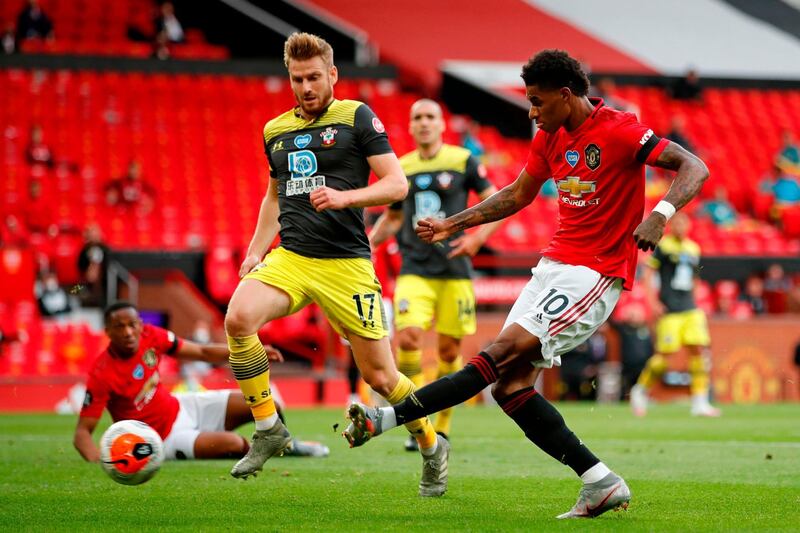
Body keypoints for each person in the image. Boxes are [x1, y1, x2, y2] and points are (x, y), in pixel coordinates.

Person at [344, 49, 709, 518]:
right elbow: (518, 194)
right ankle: (600, 481)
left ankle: (383, 419)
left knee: (497, 355)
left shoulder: (619, 129)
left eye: (537, 102)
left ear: (565, 95)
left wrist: (660, 215)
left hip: (595, 273)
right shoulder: (549, 136)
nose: (532, 112)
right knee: (509, 387)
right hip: (554, 266)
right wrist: (454, 224)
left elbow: (693, 166)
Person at [222, 33, 447, 495]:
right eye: (297, 79)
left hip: (346, 264)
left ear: (332, 75)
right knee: (238, 318)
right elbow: (273, 196)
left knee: (381, 377)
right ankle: (269, 427)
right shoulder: (275, 130)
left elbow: (397, 185)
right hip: (293, 257)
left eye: (314, 78)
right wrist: (254, 250)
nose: (305, 87)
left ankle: (430, 445)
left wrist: (346, 197)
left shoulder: (356, 117)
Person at [369, 99, 501, 451]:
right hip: (415, 268)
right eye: (417, 118)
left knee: (448, 349)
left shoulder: (463, 160)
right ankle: (418, 420)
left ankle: (442, 425)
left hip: (455, 270)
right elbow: (394, 217)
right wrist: (369, 244)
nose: (424, 123)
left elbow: (497, 203)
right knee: (409, 338)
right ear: (410, 127)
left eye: (430, 117)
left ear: (442, 124)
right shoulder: (402, 166)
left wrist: (477, 239)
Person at [73, 302, 328, 463]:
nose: (128, 332)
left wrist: (246, 351)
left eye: (132, 325)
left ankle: (286, 446)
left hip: (183, 406)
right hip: (164, 438)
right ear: (107, 331)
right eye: (120, 327)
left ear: (141, 325)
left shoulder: (152, 336)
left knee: (267, 402)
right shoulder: (102, 373)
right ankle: (262, 452)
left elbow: (202, 352)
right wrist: (101, 461)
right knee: (235, 445)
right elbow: (82, 433)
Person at [630, 212, 720, 417]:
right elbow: (649, 273)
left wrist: (695, 299)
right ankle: (640, 391)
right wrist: (653, 303)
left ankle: (699, 401)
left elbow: (695, 277)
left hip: (690, 309)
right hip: (670, 309)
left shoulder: (693, 248)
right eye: (677, 222)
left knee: (698, 351)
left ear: (688, 226)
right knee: (664, 356)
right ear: (671, 226)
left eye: (683, 222)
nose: (680, 226)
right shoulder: (663, 246)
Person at [76, 224, 110, 307]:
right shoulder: (83, 251)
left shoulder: (106, 250)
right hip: (85, 285)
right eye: (91, 234)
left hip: (103, 287)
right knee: (74, 290)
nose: (94, 236)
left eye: (95, 234)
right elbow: (80, 268)